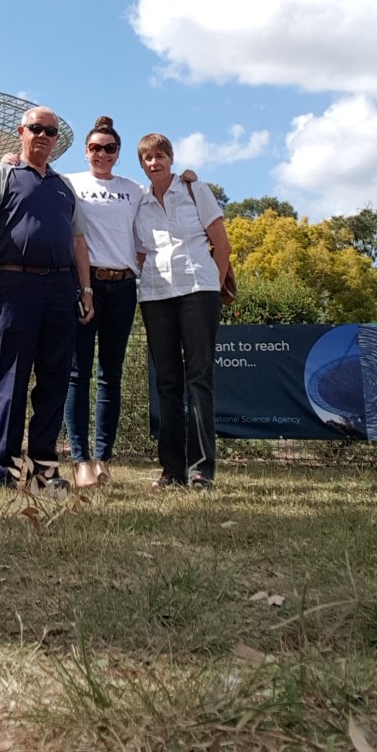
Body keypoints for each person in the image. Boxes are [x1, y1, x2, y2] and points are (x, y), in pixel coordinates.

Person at [0, 105, 93, 490]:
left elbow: (78, 241)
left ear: (57, 141)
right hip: (16, 285)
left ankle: (43, 469)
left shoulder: (64, 186)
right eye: (36, 129)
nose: (43, 136)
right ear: (20, 131)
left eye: (50, 132)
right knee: (13, 377)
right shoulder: (2, 174)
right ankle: (4, 470)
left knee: (55, 379)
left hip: (61, 288)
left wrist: (85, 290)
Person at [134, 132, 231, 490]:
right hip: (156, 295)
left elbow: (222, 246)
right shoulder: (139, 203)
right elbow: (137, 252)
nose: (154, 163)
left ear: (171, 159)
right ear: (142, 164)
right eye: (147, 158)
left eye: (160, 156)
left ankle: (202, 469)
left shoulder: (195, 190)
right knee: (167, 383)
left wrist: (213, 290)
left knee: (199, 379)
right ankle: (172, 469)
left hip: (197, 290)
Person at [62, 116, 144, 488]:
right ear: (86, 150)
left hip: (123, 287)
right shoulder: (70, 183)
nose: (101, 154)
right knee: (77, 375)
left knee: (111, 375)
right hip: (85, 284)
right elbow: (33, 172)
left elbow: (163, 199)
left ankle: (103, 459)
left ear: (118, 153)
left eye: (109, 148)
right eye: (95, 148)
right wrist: (8, 159)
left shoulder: (134, 189)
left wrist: (186, 177)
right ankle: (80, 461)